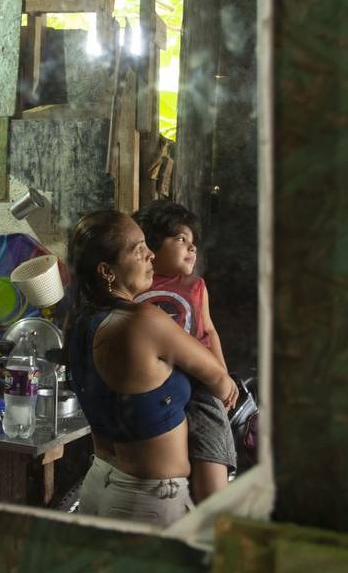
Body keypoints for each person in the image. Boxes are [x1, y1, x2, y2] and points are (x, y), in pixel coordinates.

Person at [65, 210, 237, 526]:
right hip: (146, 501)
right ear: (106, 271)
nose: (151, 255)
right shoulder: (143, 321)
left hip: (99, 483)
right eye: (138, 249)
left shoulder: (79, 322)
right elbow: (219, 379)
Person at [132, 200, 235, 502]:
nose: (192, 248)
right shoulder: (136, 284)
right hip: (155, 380)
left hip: (199, 381)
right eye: (181, 239)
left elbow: (210, 331)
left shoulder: (195, 286)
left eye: (193, 243)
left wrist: (222, 373)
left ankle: (212, 503)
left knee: (210, 432)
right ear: (151, 245)